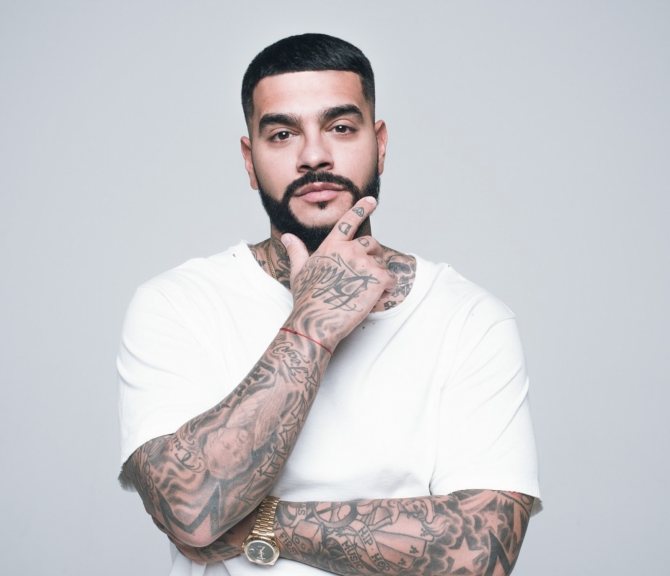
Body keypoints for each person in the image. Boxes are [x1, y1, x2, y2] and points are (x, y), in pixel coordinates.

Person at [118, 33, 541, 576]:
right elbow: (190, 511)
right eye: (282, 134)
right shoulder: (177, 304)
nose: (314, 155)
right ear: (249, 160)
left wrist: (261, 523)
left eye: (340, 127)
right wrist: (313, 322)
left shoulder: (470, 318)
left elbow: (482, 550)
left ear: (380, 144)